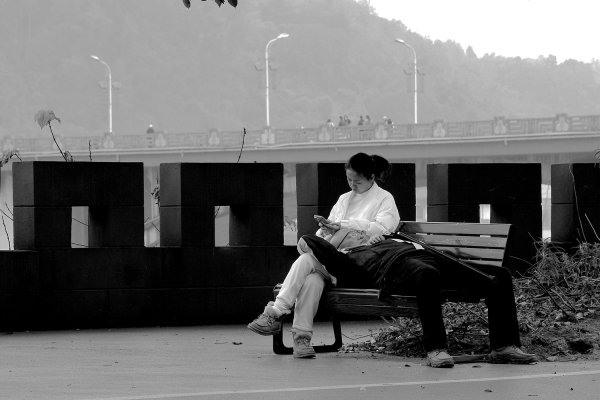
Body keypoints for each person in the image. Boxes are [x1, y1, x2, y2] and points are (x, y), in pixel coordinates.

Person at [298, 228, 538, 368]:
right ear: (341, 245)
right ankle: (436, 349)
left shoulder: (387, 239)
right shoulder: (348, 258)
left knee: (499, 275)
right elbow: (311, 241)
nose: (360, 233)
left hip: (430, 259)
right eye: (352, 234)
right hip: (398, 270)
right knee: (426, 274)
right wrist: (320, 239)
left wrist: (385, 238)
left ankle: (504, 347)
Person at [247, 153, 400, 358]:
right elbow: (328, 232)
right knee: (311, 278)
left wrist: (344, 225)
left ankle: (276, 313)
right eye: (349, 180)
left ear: (372, 177)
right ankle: (301, 339)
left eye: (357, 181)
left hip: (358, 264)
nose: (352, 185)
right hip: (332, 262)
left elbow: (383, 229)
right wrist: (326, 230)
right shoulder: (344, 199)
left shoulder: (384, 198)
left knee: (307, 260)